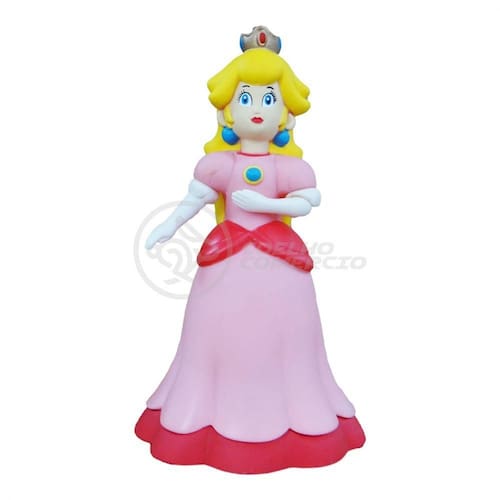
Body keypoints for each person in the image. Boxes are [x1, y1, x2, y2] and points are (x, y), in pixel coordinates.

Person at [135, 26, 365, 474]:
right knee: (215, 337)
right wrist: (167, 225)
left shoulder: (290, 168)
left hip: (280, 264)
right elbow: (193, 200)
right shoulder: (219, 165)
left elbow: (308, 202)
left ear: (286, 115)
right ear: (227, 111)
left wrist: (267, 206)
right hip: (225, 263)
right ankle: (204, 409)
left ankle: (296, 410)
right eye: (245, 98)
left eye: (268, 98)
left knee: (286, 339)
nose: (256, 109)